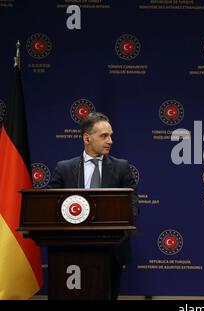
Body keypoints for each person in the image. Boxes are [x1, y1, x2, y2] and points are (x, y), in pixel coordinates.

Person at [48, 112, 138, 299]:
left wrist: (124, 224)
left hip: (111, 249)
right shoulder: (64, 168)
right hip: (71, 247)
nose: (110, 141)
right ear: (87, 138)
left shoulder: (121, 167)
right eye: (104, 136)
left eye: (111, 135)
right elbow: (49, 204)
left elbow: (133, 203)